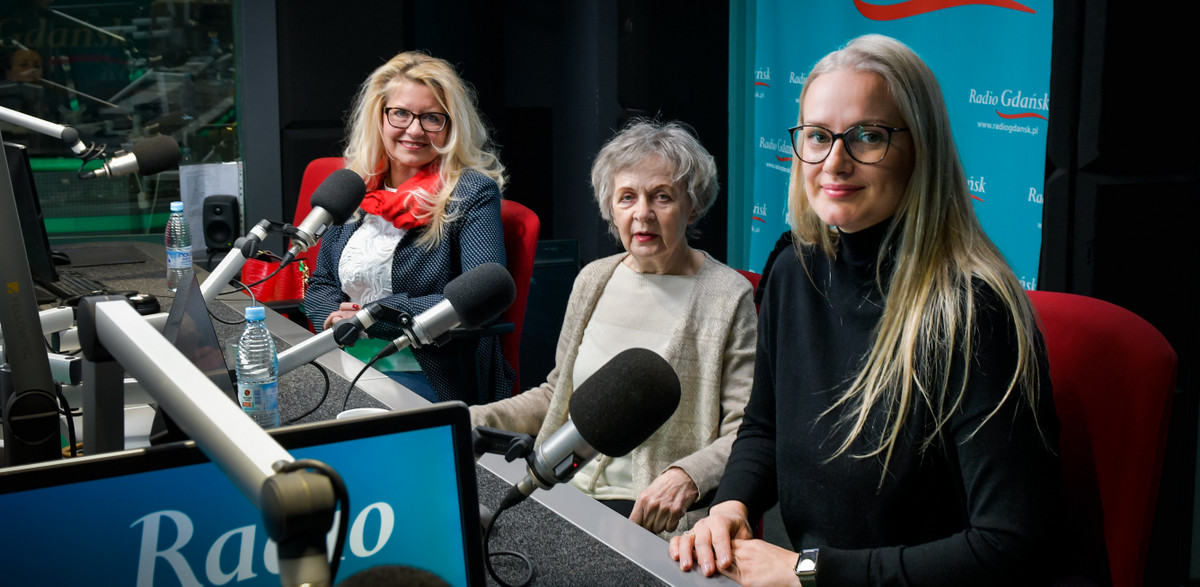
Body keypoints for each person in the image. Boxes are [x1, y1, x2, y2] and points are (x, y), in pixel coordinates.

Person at [670, 34, 1065, 585]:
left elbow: (1010, 545)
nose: (835, 162)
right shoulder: (794, 270)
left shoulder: (975, 312)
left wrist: (807, 572)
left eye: (868, 137)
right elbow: (763, 428)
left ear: (919, 150)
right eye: (817, 136)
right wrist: (730, 507)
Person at [470, 119, 756, 537]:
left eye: (662, 197)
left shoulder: (728, 296)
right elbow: (557, 396)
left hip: (649, 519)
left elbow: (746, 431)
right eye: (627, 198)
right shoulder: (593, 279)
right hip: (559, 489)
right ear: (611, 208)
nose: (642, 214)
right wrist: (471, 417)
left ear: (691, 206)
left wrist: (687, 476)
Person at [305, 51, 514, 404]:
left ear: (450, 126)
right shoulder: (357, 186)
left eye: (432, 118)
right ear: (380, 116)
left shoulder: (470, 192)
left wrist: (372, 319)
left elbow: (482, 298)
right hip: (344, 355)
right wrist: (333, 321)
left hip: (426, 368)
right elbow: (322, 281)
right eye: (400, 113)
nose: (414, 130)